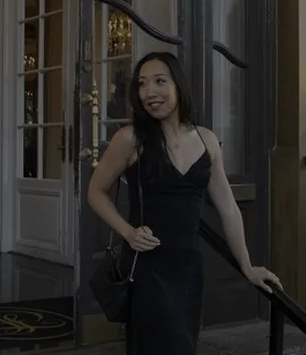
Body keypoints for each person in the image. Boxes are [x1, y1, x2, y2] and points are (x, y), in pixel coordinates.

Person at [87, 51, 282, 354]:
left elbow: (228, 208)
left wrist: (247, 265)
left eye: (159, 81)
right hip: (148, 266)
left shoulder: (207, 141)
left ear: (178, 85)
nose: (149, 92)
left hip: (188, 268)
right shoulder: (130, 139)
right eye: (142, 84)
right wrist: (128, 232)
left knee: (183, 344)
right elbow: (95, 192)